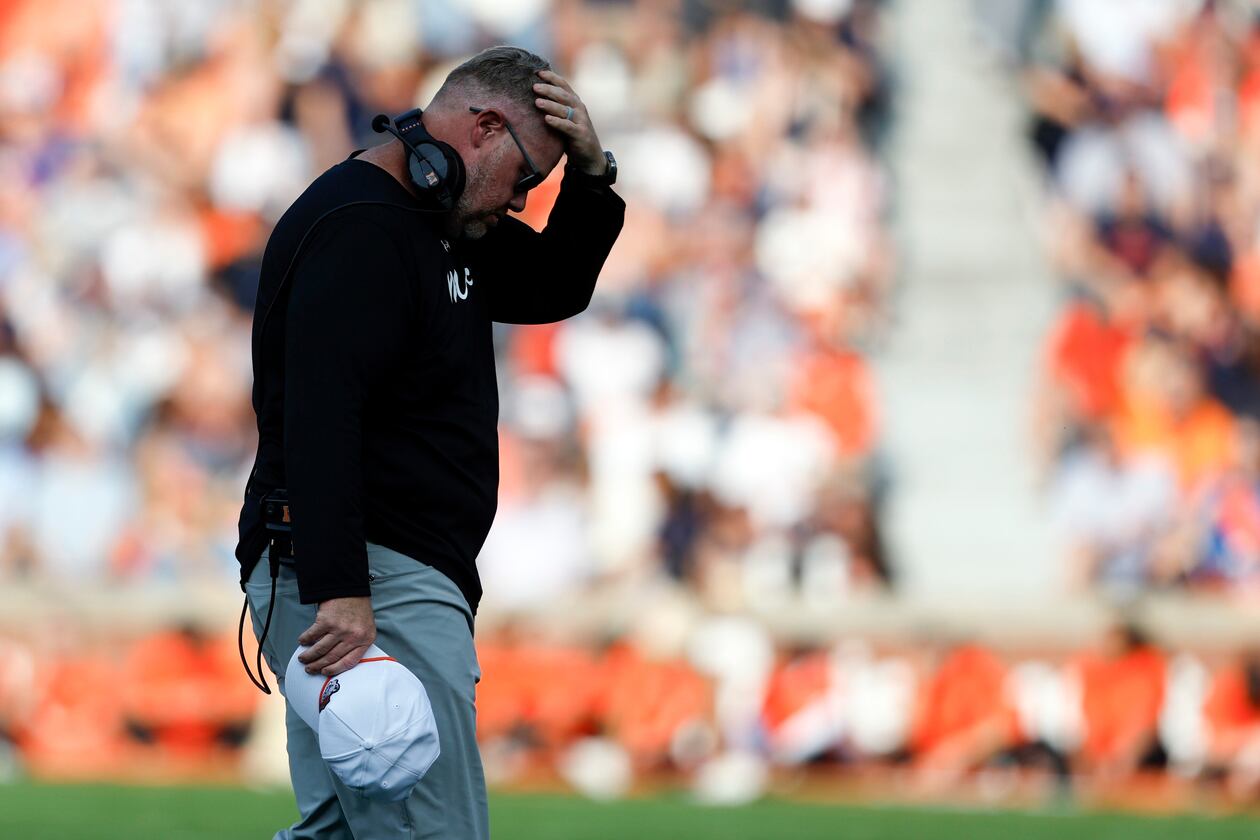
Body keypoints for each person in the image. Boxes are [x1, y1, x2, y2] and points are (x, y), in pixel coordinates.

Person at [234, 45, 624, 839]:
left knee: (350, 831)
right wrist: (343, 588)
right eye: (525, 177)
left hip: (380, 569)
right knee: (433, 833)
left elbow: (555, 283)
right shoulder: (364, 226)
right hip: (373, 577)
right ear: (485, 128)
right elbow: (320, 415)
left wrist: (593, 175)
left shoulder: (438, 217)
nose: (520, 201)